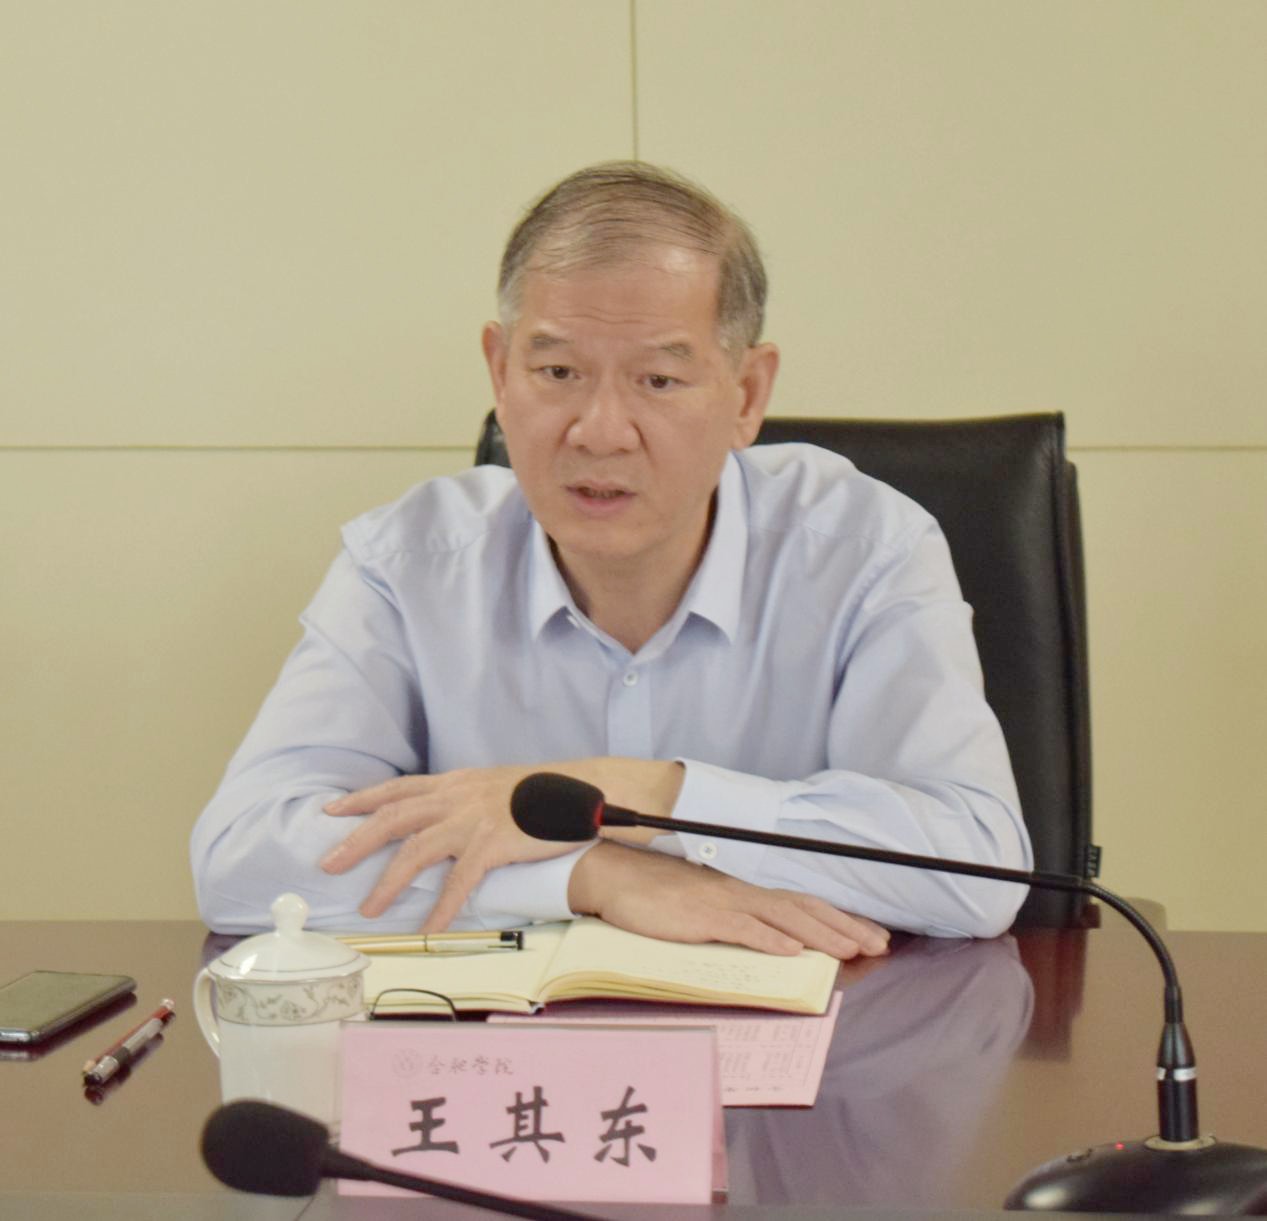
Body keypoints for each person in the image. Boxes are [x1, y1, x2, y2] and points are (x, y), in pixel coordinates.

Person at [191, 162, 1030, 957]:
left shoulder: (864, 550)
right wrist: (589, 874)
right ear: (499, 371)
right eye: (557, 370)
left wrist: (643, 794)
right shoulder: (408, 564)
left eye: (657, 381)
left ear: (746, 395)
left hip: (815, 1045)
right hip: (499, 1050)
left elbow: (978, 869)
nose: (599, 431)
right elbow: (240, 859)